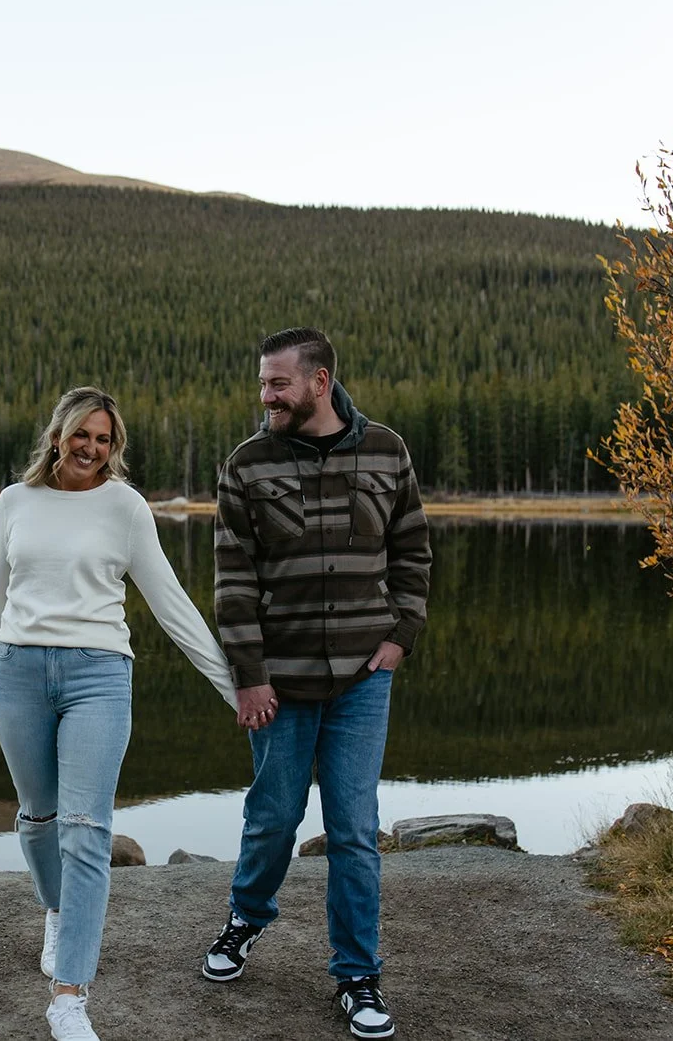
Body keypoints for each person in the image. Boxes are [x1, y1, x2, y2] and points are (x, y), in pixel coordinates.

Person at [0, 385, 238, 1041]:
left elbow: (172, 606)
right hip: (19, 673)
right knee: (39, 817)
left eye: (103, 438)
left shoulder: (126, 508)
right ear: (57, 435)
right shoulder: (16, 502)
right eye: (81, 434)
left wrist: (233, 688)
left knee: (85, 830)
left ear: (114, 447)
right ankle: (54, 911)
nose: (91, 447)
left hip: (98, 675)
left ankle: (69, 997)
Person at [202, 328, 431, 1040]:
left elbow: (413, 549)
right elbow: (233, 582)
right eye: (263, 383)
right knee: (273, 818)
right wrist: (249, 677)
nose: (265, 395)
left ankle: (358, 975)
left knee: (356, 829)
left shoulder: (386, 451)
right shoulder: (247, 464)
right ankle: (247, 917)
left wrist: (401, 636)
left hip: (364, 677)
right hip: (280, 682)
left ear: (319, 380)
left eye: (278, 383)